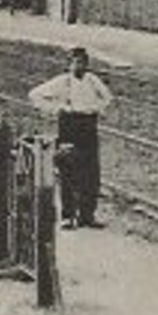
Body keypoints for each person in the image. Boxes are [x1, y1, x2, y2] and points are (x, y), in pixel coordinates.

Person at [28, 47, 113, 229]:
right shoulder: (63, 82)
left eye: (83, 62)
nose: (79, 66)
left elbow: (107, 97)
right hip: (70, 126)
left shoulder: (92, 80)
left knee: (91, 173)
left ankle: (87, 215)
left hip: (89, 127)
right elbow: (35, 95)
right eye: (76, 62)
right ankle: (67, 216)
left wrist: (96, 108)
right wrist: (58, 107)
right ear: (70, 64)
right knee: (68, 171)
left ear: (87, 64)